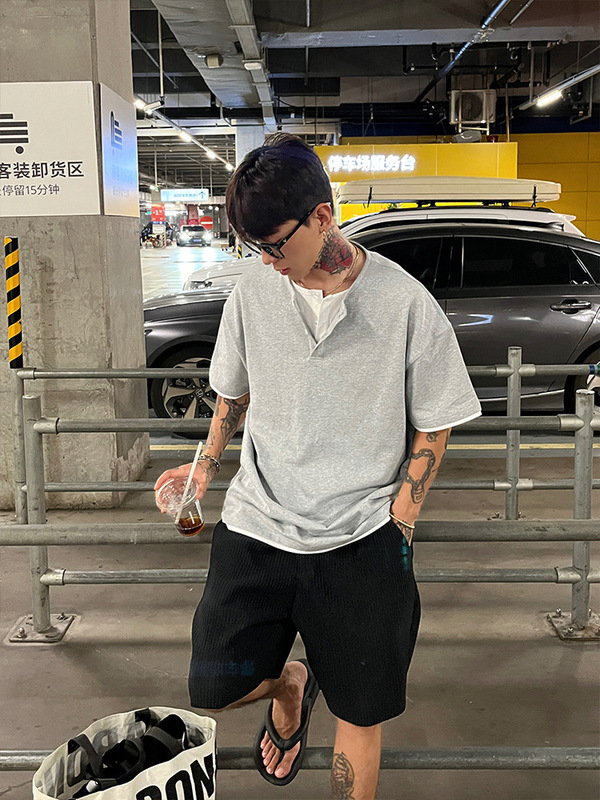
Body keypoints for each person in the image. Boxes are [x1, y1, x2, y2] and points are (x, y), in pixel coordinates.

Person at [155, 133, 482, 800]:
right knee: (215, 685)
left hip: (363, 534)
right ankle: (291, 685)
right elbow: (233, 393)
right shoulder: (254, 292)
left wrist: (401, 521)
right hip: (260, 521)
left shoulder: (404, 303)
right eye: (256, 248)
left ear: (322, 217)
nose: (268, 262)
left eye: (276, 245)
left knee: (361, 711)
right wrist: (204, 469)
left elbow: (436, 419)